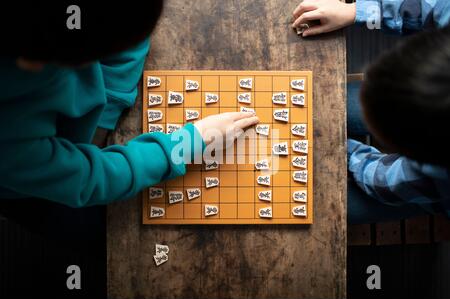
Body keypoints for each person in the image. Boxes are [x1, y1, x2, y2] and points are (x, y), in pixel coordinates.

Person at [0, 3, 259, 208]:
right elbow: (87, 180)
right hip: (36, 183)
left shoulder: (79, 27)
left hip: (77, 131)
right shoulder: (9, 138)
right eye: (89, 58)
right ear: (32, 63)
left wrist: (107, 108)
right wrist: (181, 147)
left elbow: (127, 36)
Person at [292, 0, 450, 224]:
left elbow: (388, 183)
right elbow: (433, 5)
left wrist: (339, 148)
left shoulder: (438, 176)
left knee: (324, 205)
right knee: (318, 104)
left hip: (431, 191)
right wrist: (355, 12)